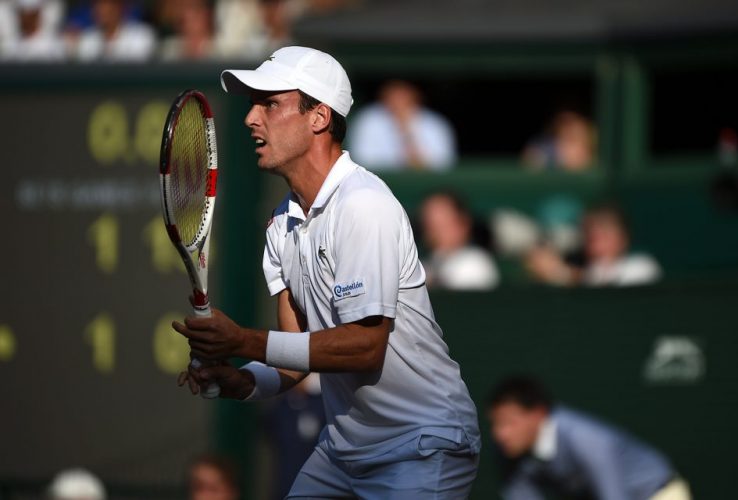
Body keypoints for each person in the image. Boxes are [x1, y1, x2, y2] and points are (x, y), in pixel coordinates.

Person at [173, 46, 480, 499]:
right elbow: (295, 355)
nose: (251, 119)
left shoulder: (363, 205)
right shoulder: (280, 224)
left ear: (318, 117)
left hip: (422, 444)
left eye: (270, 104)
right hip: (343, 452)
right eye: (254, 106)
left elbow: (364, 347)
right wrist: (246, 381)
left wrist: (240, 342)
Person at [488, 376, 691, 500]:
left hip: (657, 494)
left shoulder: (586, 439)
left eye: (509, 422)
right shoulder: (507, 452)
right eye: (495, 423)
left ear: (538, 413)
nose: (500, 433)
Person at [525, 203, 662, 286]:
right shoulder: (580, 264)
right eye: (589, 229)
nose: (595, 234)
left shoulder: (642, 266)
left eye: (605, 228)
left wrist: (558, 273)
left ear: (623, 237)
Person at [347, 79, 457, 171]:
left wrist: (407, 133)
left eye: (404, 97)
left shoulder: (434, 123)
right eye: (394, 97)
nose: (398, 102)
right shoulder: (369, 120)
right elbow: (363, 160)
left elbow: (443, 164)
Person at [420, 191, 500, 290]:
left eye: (444, 223)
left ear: (464, 223)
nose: (435, 231)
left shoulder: (475, 262)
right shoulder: (425, 264)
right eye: (430, 224)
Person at [75, 0, 156, 62]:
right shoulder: (88, 37)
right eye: (96, 5)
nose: (99, 10)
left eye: (105, 4)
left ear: (119, 7)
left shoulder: (141, 35)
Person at [522, 110, 596, 172]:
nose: (578, 149)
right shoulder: (549, 155)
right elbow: (531, 158)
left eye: (582, 142)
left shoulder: (595, 167)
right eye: (569, 140)